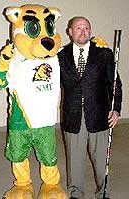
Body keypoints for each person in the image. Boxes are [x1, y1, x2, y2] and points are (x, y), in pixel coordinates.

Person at [58, 16, 122, 199]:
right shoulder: (60, 56)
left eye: (86, 28)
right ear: (69, 32)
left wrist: (116, 109)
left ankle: (103, 192)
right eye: (78, 28)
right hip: (73, 115)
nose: (83, 31)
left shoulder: (104, 54)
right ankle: (76, 193)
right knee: (74, 160)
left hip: (100, 115)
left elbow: (115, 83)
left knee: (102, 160)